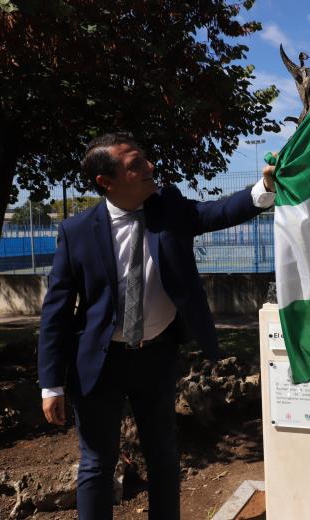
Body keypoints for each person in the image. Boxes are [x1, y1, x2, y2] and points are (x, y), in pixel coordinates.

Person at [37, 132, 275, 520]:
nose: (150, 168)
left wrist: (264, 187)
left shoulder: (169, 208)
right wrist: (51, 384)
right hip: (98, 362)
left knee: (163, 456)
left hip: (157, 357)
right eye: (136, 165)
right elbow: (56, 312)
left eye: (146, 158)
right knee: (97, 463)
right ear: (106, 181)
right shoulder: (76, 232)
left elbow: (217, 211)